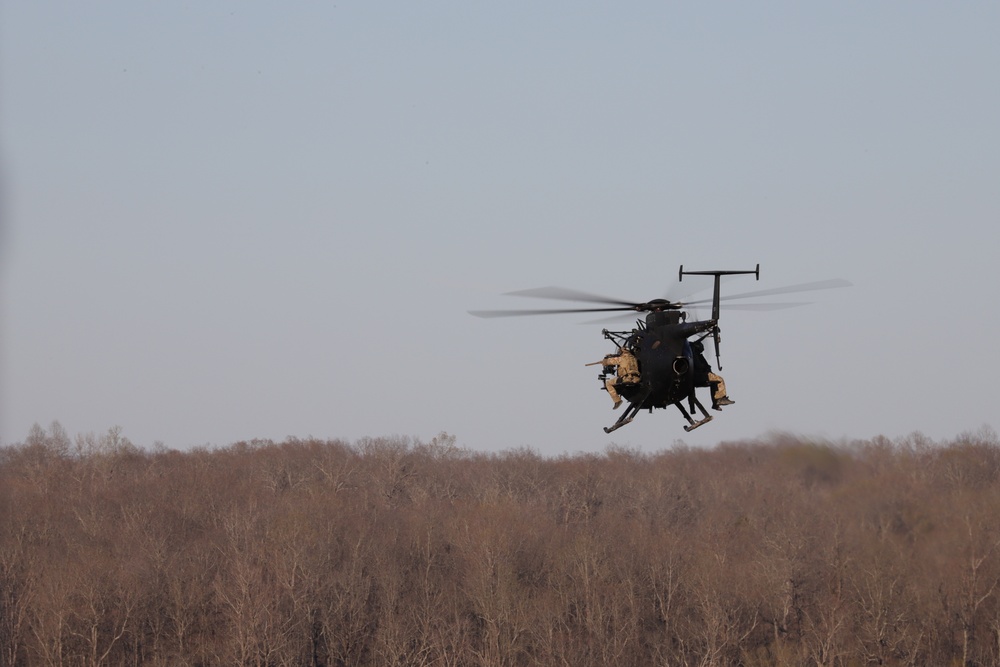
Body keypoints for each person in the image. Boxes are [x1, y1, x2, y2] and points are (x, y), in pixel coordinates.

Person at [691, 340, 735, 411]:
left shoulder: (695, 355)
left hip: (699, 375)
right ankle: (721, 398)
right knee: (719, 379)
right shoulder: (695, 356)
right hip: (700, 376)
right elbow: (700, 366)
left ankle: (716, 403)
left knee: (714, 384)